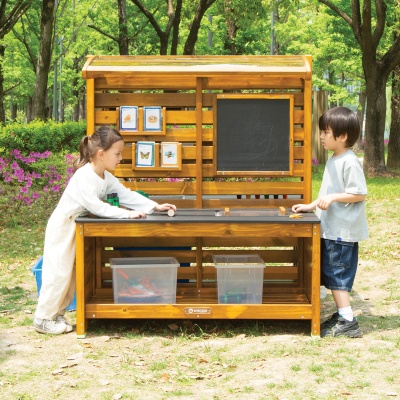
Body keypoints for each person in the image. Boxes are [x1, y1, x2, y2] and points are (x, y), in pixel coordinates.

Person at [34, 126, 176, 334]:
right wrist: (127, 214)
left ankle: (57, 315)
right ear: (101, 154)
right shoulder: (84, 176)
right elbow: (96, 206)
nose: (120, 159)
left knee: (72, 274)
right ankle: (42, 318)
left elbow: (126, 195)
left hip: (76, 227)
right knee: (58, 273)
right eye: (117, 154)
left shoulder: (104, 176)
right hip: (63, 227)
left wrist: (155, 206)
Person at [292, 107, 368, 338]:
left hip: (342, 232)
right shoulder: (334, 159)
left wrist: (333, 198)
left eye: (326, 132)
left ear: (342, 136)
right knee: (330, 272)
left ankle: (348, 321)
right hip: (332, 229)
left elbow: (359, 193)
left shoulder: (349, 161)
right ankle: (342, 314)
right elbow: (330, 191)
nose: (322, 137)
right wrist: (311, 205)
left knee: (337, 275)